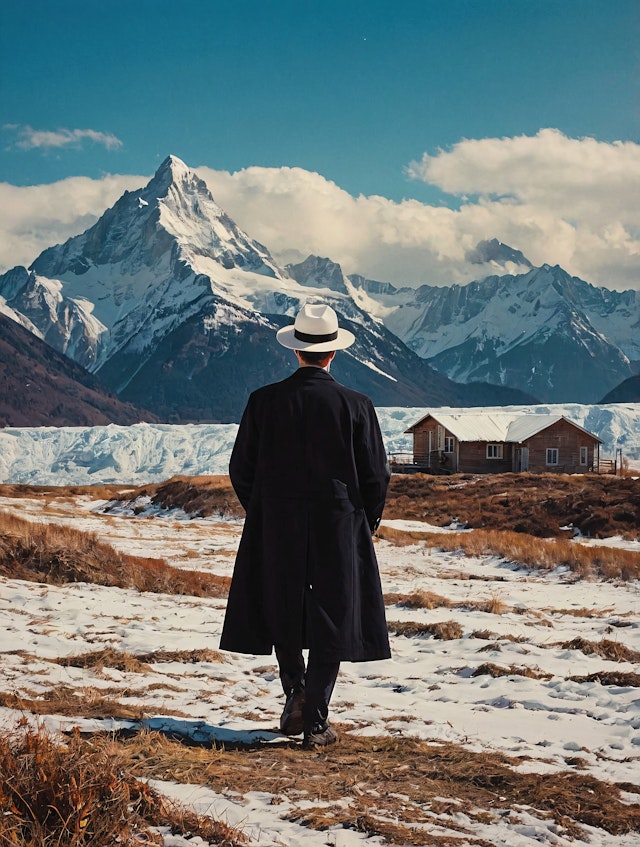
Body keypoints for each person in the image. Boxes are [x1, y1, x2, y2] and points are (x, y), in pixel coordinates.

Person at [219, 302, 391, 748]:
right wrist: (363, 524)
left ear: (296, 352)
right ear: (333, 354)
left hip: (276, 521)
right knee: (333, 613)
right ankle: (315, 718)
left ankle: (294, 690)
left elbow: (241, 469)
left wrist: (262, 510)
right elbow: (376, 475)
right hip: (339, 523)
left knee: (282, 605)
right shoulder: (357, 405)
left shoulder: (263, 402)